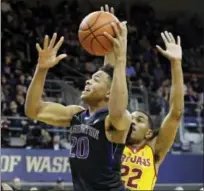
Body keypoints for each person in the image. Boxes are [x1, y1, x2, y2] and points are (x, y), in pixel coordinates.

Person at [25, 5, 131, 191]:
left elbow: (117, 101)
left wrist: (119, 57)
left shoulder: (114, 122)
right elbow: (34, 110)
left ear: (109, 92)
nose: (88, 82)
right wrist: (41, 69)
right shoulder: (76, 115)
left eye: (95, 79)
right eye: (90, 78)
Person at [121, 32, 184, 190]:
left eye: (139, 120)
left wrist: (176, 63)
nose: (132, 121)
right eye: (132, 118)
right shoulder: (113, 143)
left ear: (149, 133)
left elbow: (175, 114)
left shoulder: (153, 151)